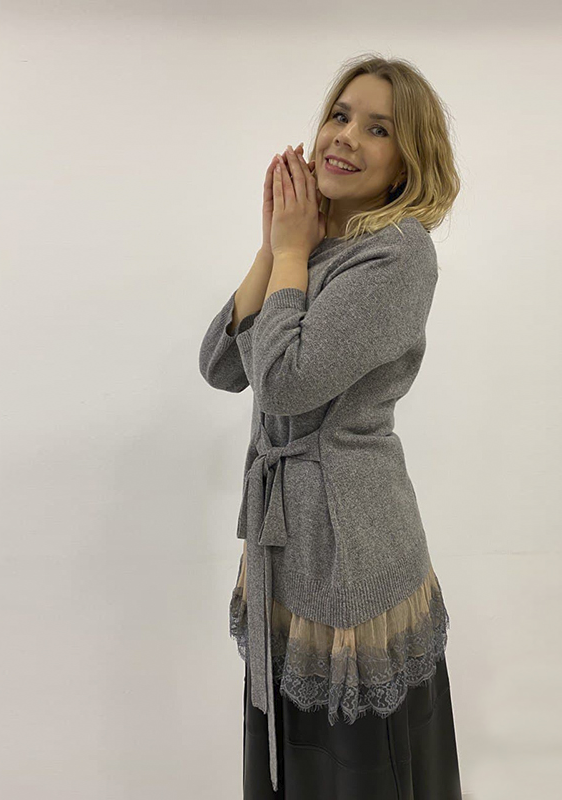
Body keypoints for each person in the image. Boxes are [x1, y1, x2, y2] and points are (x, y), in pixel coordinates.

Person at [198, 53, 463, 799]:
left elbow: (285, 384)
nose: (345, 136)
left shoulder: (398, 254)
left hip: (350, 543)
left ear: (408, 161)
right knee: (291, 749)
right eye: (340, 116)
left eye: (378, 128)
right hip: (284, 538)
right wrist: (274, 246)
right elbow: (222, 364)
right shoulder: (311, 246)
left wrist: (289, 251)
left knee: (353, 766)